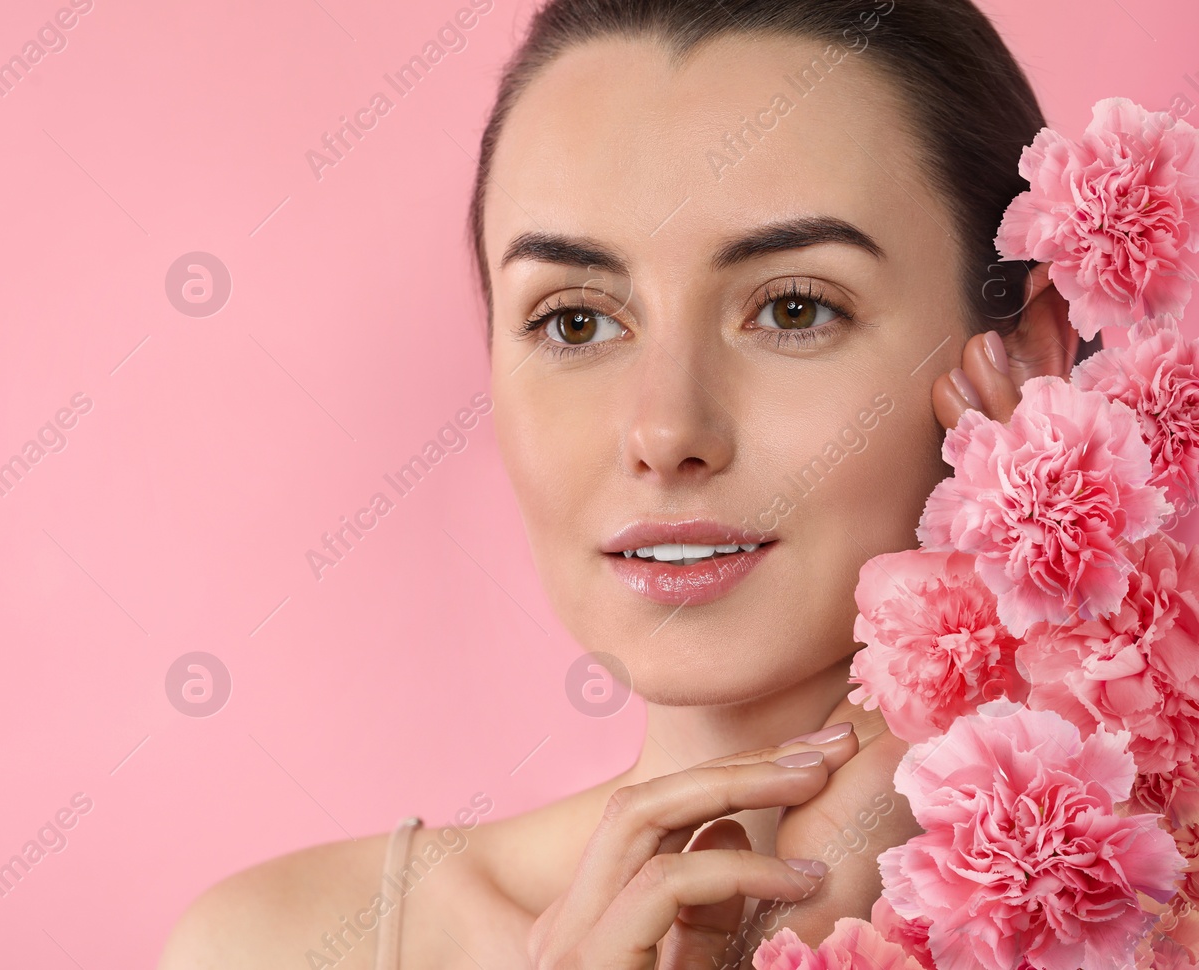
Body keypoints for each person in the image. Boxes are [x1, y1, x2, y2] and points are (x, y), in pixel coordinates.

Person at [159, 0, 1093, 966]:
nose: (666, 431)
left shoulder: (1158, 902)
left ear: (1026, 354)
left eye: (794, 307)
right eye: (576, 322)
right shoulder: (286, 944)